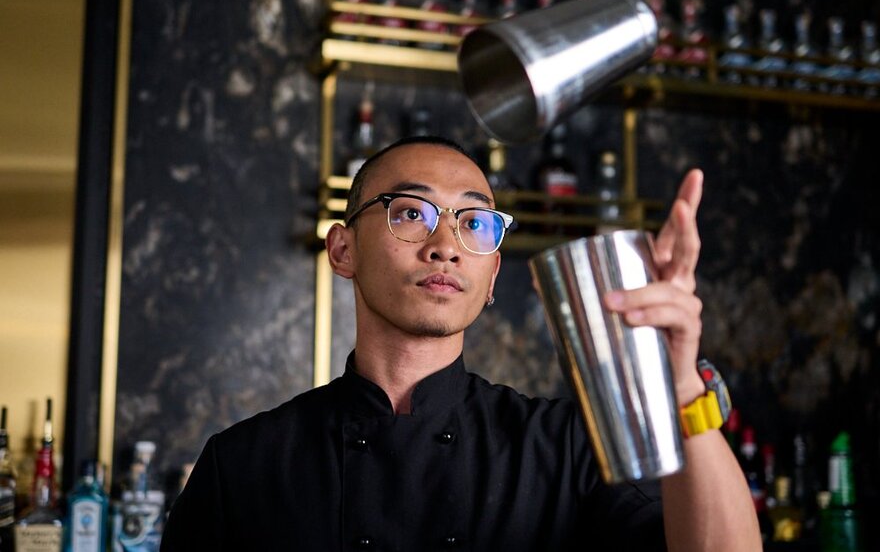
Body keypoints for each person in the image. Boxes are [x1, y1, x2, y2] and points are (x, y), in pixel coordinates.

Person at [162, 136, 761, 551]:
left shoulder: (565, 449)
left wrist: (684, 386)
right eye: (412, 213)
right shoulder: (242, 465)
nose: (446, 243)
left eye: (474, 223)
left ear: (492, 274)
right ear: (343, 249)